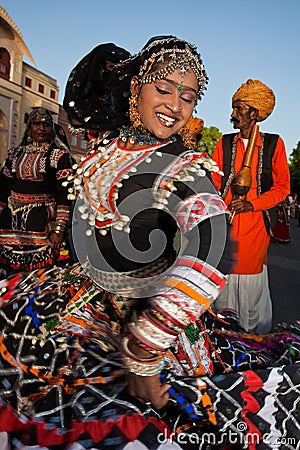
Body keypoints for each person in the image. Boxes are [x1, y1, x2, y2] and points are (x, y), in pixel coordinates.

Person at [0, 38, 299, 450]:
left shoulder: (183, 167)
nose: (176, 105)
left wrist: (146, 350)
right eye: (164, 89)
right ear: (135, 87)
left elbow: (208, 252)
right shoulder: (109, 149)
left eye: (189, 96)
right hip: (78, 304)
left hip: (147, 327)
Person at [211, 79, 290, 333]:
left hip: (255, 224)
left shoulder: (274, 144)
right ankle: (223, 334)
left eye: (239, 108)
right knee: (223, 277)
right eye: (234, 108)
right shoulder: (223, 144)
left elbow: (282, 188)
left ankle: (250, 340)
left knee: (248, 279)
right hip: (225, 223)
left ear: (254, 114)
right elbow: (212, 184)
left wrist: (252, 204)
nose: (233, 114)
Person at [0, 108, 74, 274]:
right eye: (36, 124)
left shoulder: (59, 156)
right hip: (10, 222)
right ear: (29, 127)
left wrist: (59, 229)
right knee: (8, 275)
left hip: (43, 221)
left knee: (38, 276)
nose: (41, 128)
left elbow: (65, 194)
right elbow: (3, 188)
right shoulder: (15, 154)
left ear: (52, 128)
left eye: (46, 124)